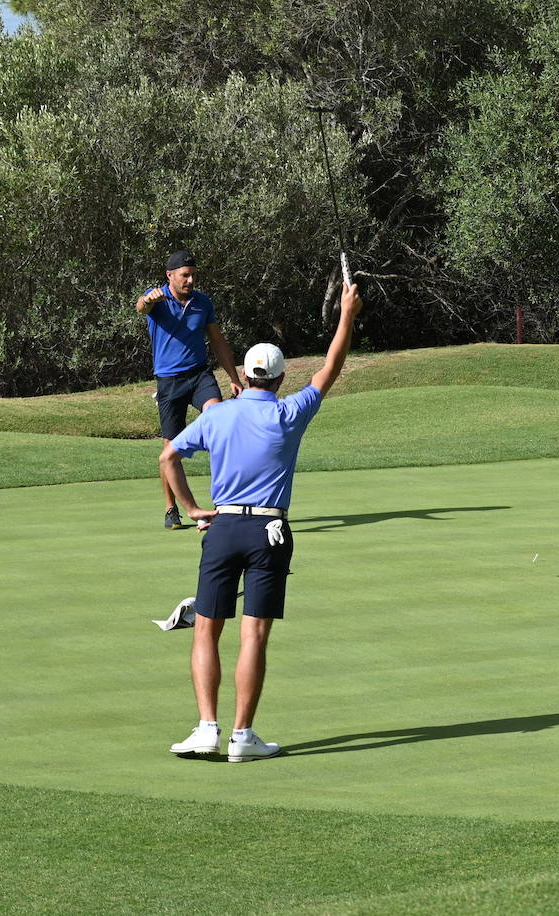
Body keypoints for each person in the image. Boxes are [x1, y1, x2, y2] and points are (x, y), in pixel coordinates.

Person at [160, 282, 364, 762]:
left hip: (223, 528)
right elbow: (329, 368)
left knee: (207, 628)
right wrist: (347, 315)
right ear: (277, 378)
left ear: (246, 376)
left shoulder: (218, 416)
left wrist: (191, 509)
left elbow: (168, 456)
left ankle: (206, 729)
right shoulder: (289, 412)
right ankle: (241, 737)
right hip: (270, 531)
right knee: (254, 633)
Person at [136, 250, 243, 531]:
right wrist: (149, 300)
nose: (190, 279)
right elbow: (140, 307)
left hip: (199, 375)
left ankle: (226, 499)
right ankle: (172, 509)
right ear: (169, 276)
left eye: (193, 274)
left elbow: (218, 341)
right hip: (169, 381)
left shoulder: (202, 302)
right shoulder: (157, 298)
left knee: (217, 417)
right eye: (185, 275)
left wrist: (233, 377)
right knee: (169, 446)